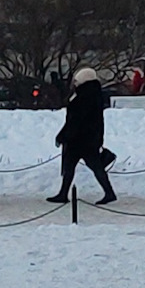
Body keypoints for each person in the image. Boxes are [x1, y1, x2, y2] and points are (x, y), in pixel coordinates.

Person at [46, 67, 117, 205]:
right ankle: (108, 192)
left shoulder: (83, 97)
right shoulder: (93, 94)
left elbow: (75, 120)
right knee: (91, 167)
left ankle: (64, 194)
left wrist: (63, 136)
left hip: (79, 140)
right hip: (89, 139)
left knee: (74, 167)